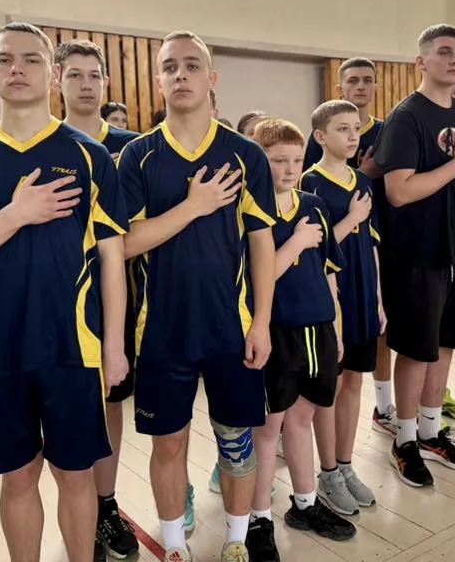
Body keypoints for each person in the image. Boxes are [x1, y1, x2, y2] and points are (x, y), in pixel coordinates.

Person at [0, 22, 129, 562]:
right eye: (5, 59)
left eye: (31, 59)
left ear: (52, 74)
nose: (17, 68)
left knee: (76, 475)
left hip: (74, 348)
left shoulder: (90, 156)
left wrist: (113, 346)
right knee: (17, 478)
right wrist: (14, 215)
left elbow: (112, 260)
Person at [117, 31, 275, 562]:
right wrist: (193, 206)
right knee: (168, 443)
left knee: (236, 441)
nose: (180, 74)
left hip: (231, 328)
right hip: (162, 330)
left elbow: (261, 243)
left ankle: (236, 540)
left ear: (212, 78)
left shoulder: (245, 154)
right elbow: (126, 242)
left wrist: (262, 322)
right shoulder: (138, 156)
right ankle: (175, 546)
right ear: (158, 80)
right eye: (170, 67)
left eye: (191, 65)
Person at [373, 24, 455, 488]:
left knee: (444, 348)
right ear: (421, 62)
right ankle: (403, 440)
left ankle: (429, 431)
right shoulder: (407, 117)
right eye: (444, 52)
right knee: (417, 351)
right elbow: (398, 192)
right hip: (417, 255)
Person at [244, 119, 356, 561]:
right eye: (278, 161)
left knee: (303, 418)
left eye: (295, 160)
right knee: (267, 428)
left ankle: (305, 504)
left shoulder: (314, 204)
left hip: (318, 329)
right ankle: (258, 518)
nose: (289, 169)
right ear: (260, 162)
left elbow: (329, 272)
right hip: (275, 331)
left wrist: (337, 327)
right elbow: (258, 276)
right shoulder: (250, 210)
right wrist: (295, 243)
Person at [55, 39, 140, 560]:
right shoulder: (46, 144)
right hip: (59, 299)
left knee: (110, 401)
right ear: (58, 81)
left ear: (106, 83)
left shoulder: (131, 147)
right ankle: (77, 508)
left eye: (94, 76)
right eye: (75, 75)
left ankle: (105, 506)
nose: (86, 85)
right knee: (65, 412)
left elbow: (138, 229)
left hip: (115, 294)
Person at [301, 100, 383, 515]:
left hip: (363, 292)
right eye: (342, 129)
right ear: (320, 136)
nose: (352, 136)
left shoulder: (362, 181)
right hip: (331, 298)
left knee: (355, 382)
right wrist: (351, 219)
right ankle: (328, 471)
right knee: (330, 386)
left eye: (355, 128)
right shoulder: (309, 184)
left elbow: (372, 245)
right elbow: (312, 249)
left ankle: (346, 465)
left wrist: (379, 299)